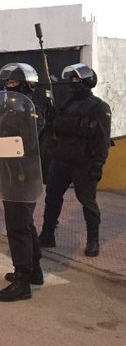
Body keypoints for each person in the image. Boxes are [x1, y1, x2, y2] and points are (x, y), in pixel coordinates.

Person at [0, 63, 44, 301]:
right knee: (24, 223)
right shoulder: (13, 108)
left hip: (23, 174)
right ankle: (34, 271)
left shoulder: (35, 110)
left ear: (25, 84)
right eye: (7, 82)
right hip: (10, 172)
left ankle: (22, 282)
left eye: (13, 83)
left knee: (17, 225)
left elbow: (29, 139)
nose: (8, 86)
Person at [39, 64, 112, 257]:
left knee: (87, 201)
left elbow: (103, 139)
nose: (73, 84)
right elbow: (55, 129)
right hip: (61, 159)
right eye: (71, 80)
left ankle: (93, 241)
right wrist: (51, 117)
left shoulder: (99, 107)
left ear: (88, 82)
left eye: (77, 80)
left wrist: (98, 164)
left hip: (84, 162)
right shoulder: (66, 104)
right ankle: (47, 234)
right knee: (52, 197)